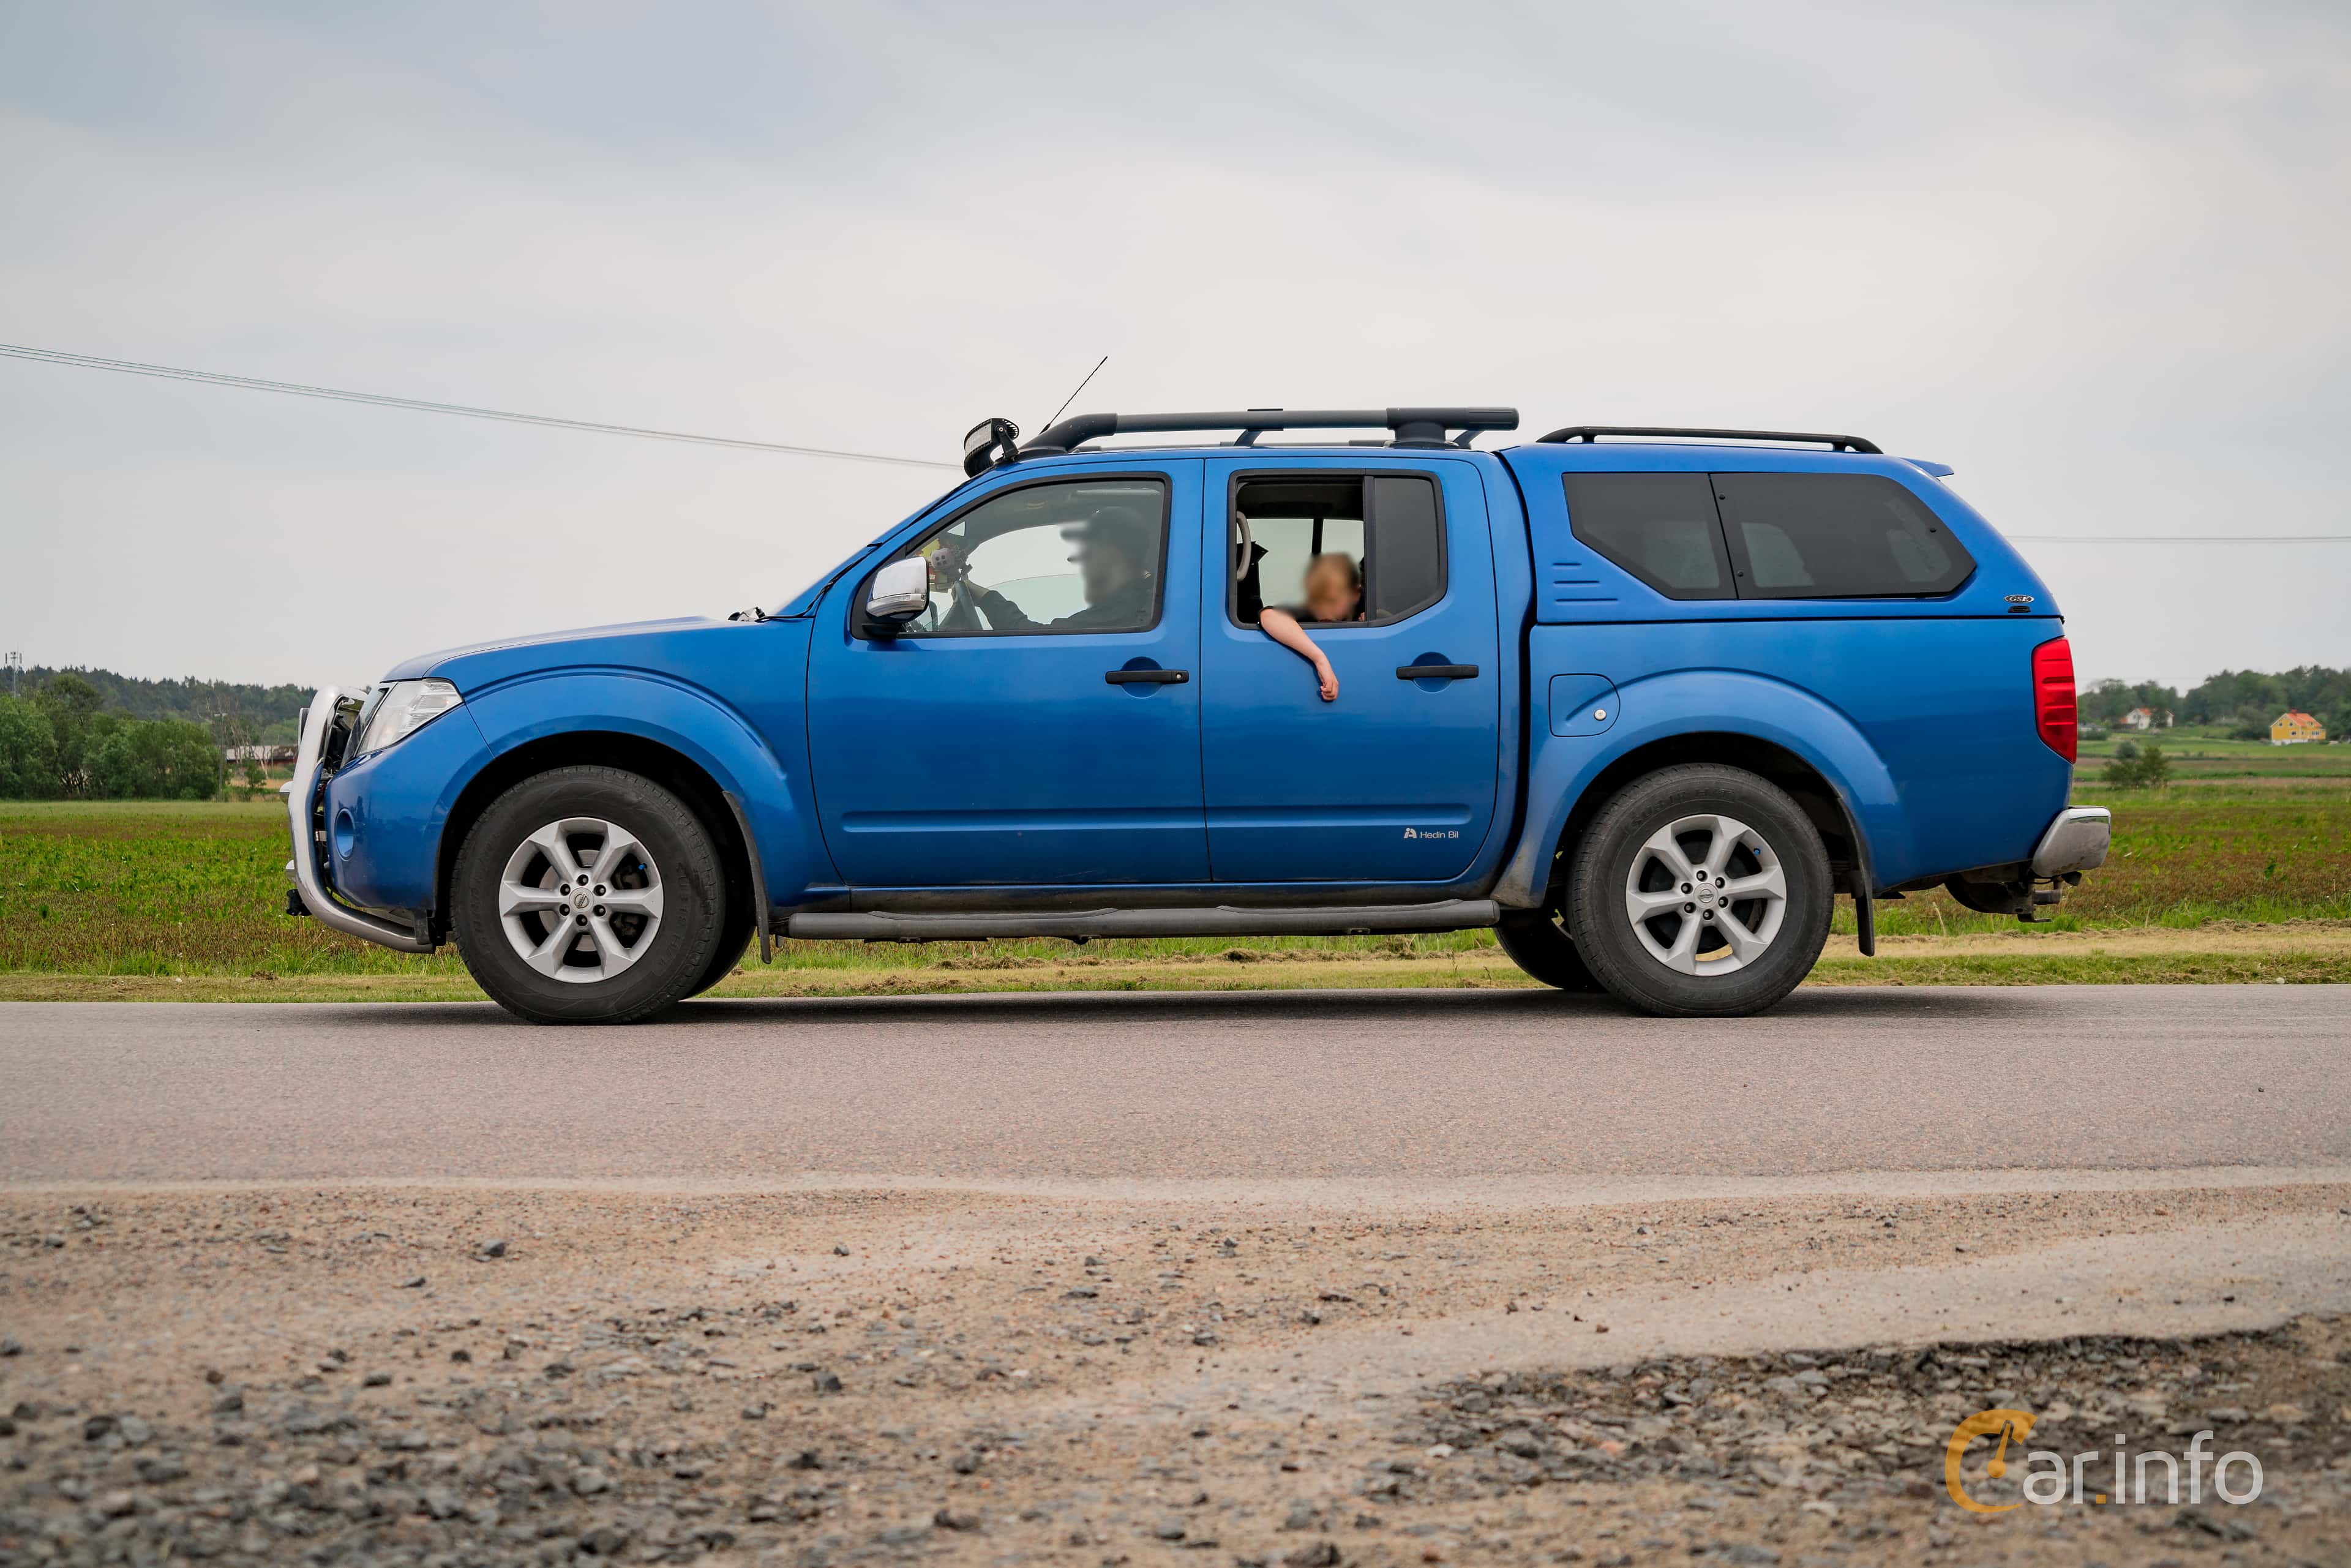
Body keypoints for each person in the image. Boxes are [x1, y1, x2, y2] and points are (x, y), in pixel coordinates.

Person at [932, 508, 1156, 632]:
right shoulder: (1144, 599)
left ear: (1112, 552)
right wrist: (980, 594)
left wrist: (986, 598)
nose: (1075, 559)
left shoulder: (1128, 608)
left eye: (1088, 549)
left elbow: (1034, 634)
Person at [1258, 550, 1363, 702]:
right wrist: (1319, 659)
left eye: (1332, 601)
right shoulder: (1312, 613)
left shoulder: (1368, 612)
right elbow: (1269, 616)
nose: (1324, 610)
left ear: (1356, 594)